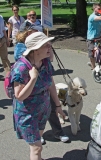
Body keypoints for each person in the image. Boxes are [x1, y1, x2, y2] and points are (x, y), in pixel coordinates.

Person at [11, 32, 66, 160]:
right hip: (27, 114)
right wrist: (33, 78)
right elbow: (19, 96)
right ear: (35, 49)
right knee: (36, 148)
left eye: (49, 44)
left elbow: (50, 83)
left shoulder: (45, 62)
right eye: (46, 45)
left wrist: (57, 105)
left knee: (37, 146)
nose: (50, 47)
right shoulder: (21, 68)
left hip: (43, 109)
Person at [87, 3, 101, 70]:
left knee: (100, 52)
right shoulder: (92, 16)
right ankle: (93, 67)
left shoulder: (99, 15)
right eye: (98, 8)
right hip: (91, 38)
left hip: (99, 37)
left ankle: (98, 64)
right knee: (92, 53)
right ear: (94, 8)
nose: (100, 10)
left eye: (100, 9)